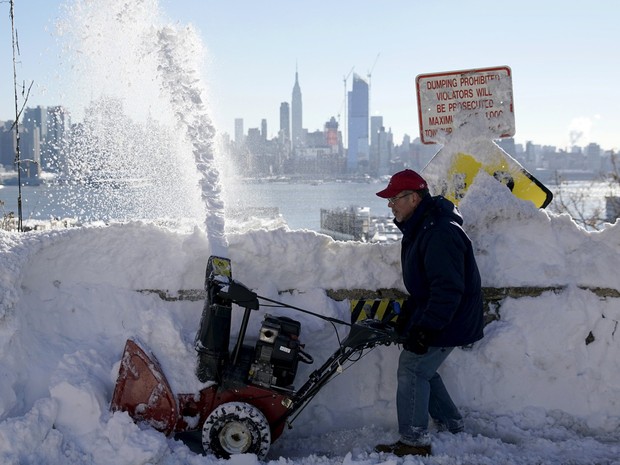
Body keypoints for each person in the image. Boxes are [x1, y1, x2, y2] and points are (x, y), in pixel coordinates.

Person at [374, 169, 484, 457]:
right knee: (422, 368)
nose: (391, 205)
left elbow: (447, 289)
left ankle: (414, 440)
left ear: (413, 198)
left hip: (451, 316)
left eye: (394, 199)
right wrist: (409, 317)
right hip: (444, 313)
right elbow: (425, 285)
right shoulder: (421, 227)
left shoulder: (438, 232)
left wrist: (426, 329)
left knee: (412, 368)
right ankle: (451, 424)